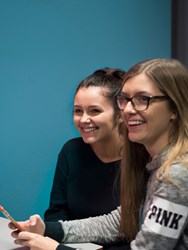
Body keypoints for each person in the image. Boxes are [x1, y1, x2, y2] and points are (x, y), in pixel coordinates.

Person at [9, 58, 188, 250]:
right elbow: (122, 221)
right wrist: (49, 230)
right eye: (125, 99)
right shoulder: (156, 163)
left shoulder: (176, 174)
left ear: (175, 109)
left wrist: (55, 249)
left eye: (143, 99)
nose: (127, 109)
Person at [44, 68, 126, 224]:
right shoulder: (71, 151)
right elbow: (56, 213)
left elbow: (131, 227)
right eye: (78, 111)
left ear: (120, 114)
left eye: (95, 111)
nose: (83, 119)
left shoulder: (142, 157)